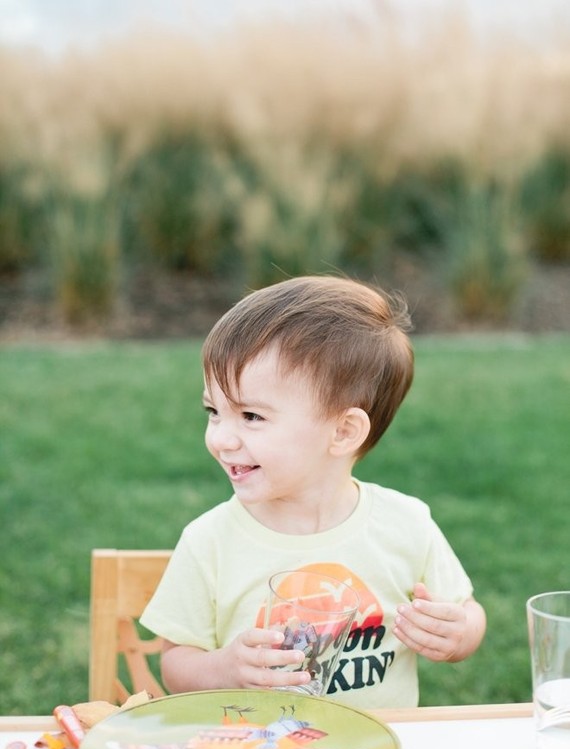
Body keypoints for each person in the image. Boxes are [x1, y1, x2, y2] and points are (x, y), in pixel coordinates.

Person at [140, 275, 486, 708]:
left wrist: (458, 634)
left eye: (250, 416)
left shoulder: (406, 524)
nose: (221, 438)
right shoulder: (210, 541)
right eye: (214, 410)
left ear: (343, 431)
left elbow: (468, 611)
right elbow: (176, 663)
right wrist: (227, 668)